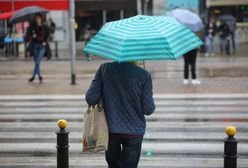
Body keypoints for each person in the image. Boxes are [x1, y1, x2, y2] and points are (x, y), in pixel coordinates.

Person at [85, 61, 155, 168]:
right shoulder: (144, 75)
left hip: (110, 130)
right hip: (134, 131)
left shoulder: (105, 69)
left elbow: (91, 98)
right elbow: (148, 109)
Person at [26, 14, 49, 83]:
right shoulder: (32, 26)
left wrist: (45, 41)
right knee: (37, 62)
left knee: (37, 61)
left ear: (41, 19)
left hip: (42, 46)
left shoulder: (44, 26)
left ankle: (33, 76)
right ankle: (39, 77)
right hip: (35, 45)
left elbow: (48, 35)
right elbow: (28, 34)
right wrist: (32, 35)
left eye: (38, 18)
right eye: (36, 18)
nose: (37, 19)